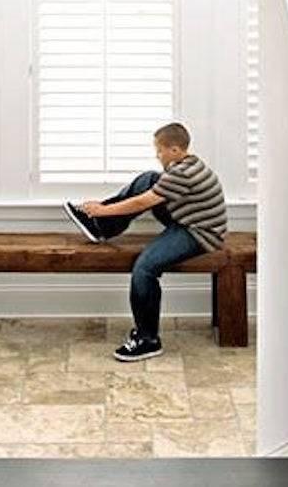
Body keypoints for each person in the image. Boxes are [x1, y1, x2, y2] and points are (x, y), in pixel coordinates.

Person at [63, 122, 227, 362]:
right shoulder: (187, 164)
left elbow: (141, 203)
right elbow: (148, 194)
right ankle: (101, 228)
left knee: (144, 268)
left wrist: (101, 209)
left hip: (200, 233)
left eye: (159, 150)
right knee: (148, 178)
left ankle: (148, 339)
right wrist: (102, 210)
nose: (157, 155)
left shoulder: (182, 174)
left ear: (174, 150)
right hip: (186, 218)